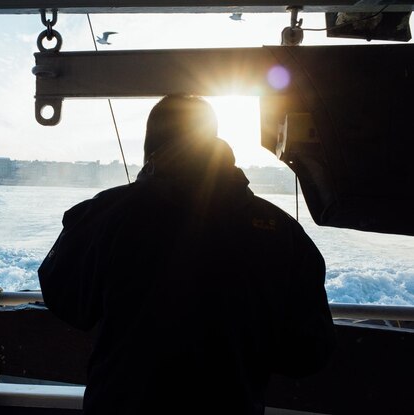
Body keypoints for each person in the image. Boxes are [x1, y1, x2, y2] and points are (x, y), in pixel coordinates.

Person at [38, 95, 335, 414]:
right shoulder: (283, 232)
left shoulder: (104, 214)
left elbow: (63, 297)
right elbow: (309, 351)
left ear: (150, 148)